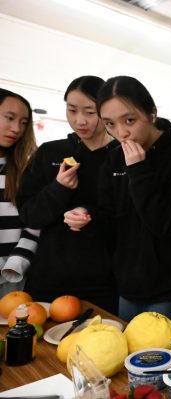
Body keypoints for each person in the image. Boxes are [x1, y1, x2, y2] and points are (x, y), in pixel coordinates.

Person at [67, 76, 171, 333]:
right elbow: (110, 221)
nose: (121, 132)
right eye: (110, 124)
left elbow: (167, 225)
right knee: (126, 365)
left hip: (170, 288)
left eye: (129, 120)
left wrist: (139, 171)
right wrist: (86, 216)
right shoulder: (114, 159)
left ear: (152, 113)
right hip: (127, 287)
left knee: (163, 365)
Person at [17, 76, 118, 312]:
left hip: (104, 282)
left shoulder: (122, 156)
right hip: (49, 277)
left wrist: (88, 214)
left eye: (90, 112)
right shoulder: (51, 152)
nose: (79, 120)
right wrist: (58, 189)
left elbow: (124, 219)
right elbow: (30, 215)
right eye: (72, 110)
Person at [0, 89, 39, 296]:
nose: (16, 128)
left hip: (13, 277)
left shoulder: (26, 171)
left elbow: (34, 223)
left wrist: (16, 263)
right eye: (9, 118)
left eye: (24, 122)